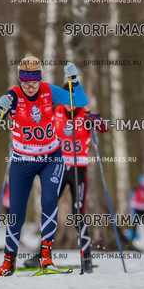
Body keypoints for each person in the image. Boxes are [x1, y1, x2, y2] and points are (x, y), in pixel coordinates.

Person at [0, 55, 89, 277]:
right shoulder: (13, 95)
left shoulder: (49, 91)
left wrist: (74, 80)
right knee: (16, 212)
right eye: (25, 81)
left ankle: (46, 259)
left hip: (50, 158)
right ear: (20, 79)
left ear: (40, 78)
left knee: (49, 201)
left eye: (34, 80)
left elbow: (80, 101)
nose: (30, 86)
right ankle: (8, 263)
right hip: (22, 160)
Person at [52, 102, 107, 273]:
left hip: (79, 169)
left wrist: (95, 119)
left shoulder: (85, 114)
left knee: (78, 213)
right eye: (66, 100)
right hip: (59, 167)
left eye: (73, 100)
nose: (70, 104)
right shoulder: (55, 112)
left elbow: (104, 128)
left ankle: (86, 257)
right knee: (48, 207)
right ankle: (42, 254)